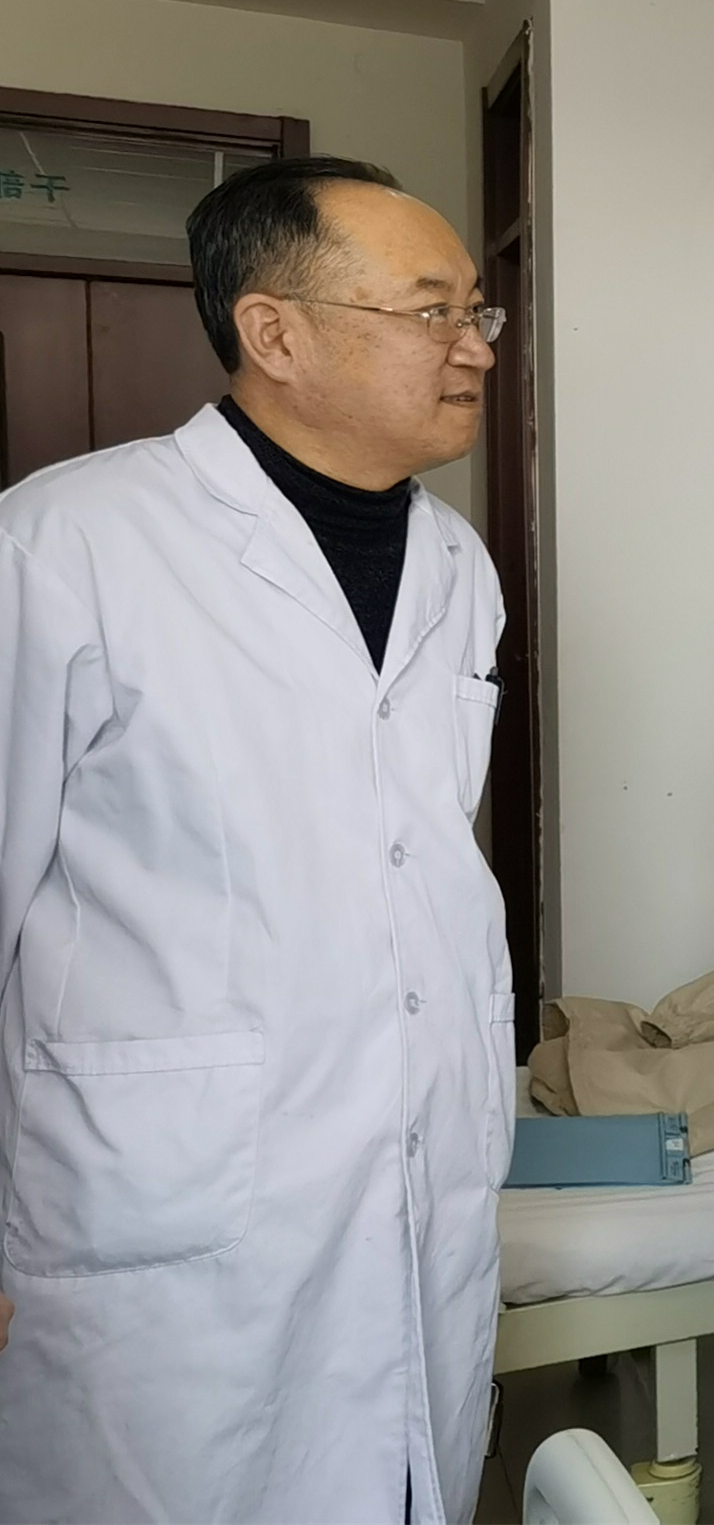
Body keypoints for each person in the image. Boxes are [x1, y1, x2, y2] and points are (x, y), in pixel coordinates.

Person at [0, 157, 510, 1520]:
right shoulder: (64, 545)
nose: (474, 347)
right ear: (274, 332)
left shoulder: (456, 565)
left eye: (477, 312)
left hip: (409, 1172)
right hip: (162, 1204)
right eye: (431, 311)